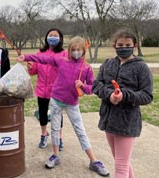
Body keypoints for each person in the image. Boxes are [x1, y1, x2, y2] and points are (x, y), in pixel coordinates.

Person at [17, 36, 110, 176]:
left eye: (79, 50)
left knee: (80, 130)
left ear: (83, 50)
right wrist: (26, 57)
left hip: (72, 103)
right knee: (55, 128)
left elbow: (93, 88)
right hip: (56, 100)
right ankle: (55, 155)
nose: (76, 52)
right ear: (69, 50)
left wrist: (83, 86)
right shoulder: (61, 61)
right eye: (73, 49)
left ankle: (94, 161)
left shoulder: (86, 68)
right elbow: (43, 59)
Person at [92, 29, 153, 178]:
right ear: (114, 45)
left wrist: (125, 95)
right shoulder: (107, 64)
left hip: (127, 122)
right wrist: (110, 95)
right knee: (121, 162)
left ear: (135, 45)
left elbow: (147, 95)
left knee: (120, 167)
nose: (123, 47)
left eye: (128, 44)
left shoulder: (141, 67)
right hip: (108, 119)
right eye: (120, 44)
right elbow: (97, 85)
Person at [27, 28, 67, 149]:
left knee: (57, 114)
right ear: (46, 37)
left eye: (56, 36)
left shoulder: (64, 53)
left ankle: (59, 138)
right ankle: (44, 134)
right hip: (41, 89)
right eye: (50, 35)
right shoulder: (40, 52)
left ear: (60, 39)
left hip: (57, 90)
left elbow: (66, 71)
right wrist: (30, 67)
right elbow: (34, 71)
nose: (53, 38)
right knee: (42, 113)